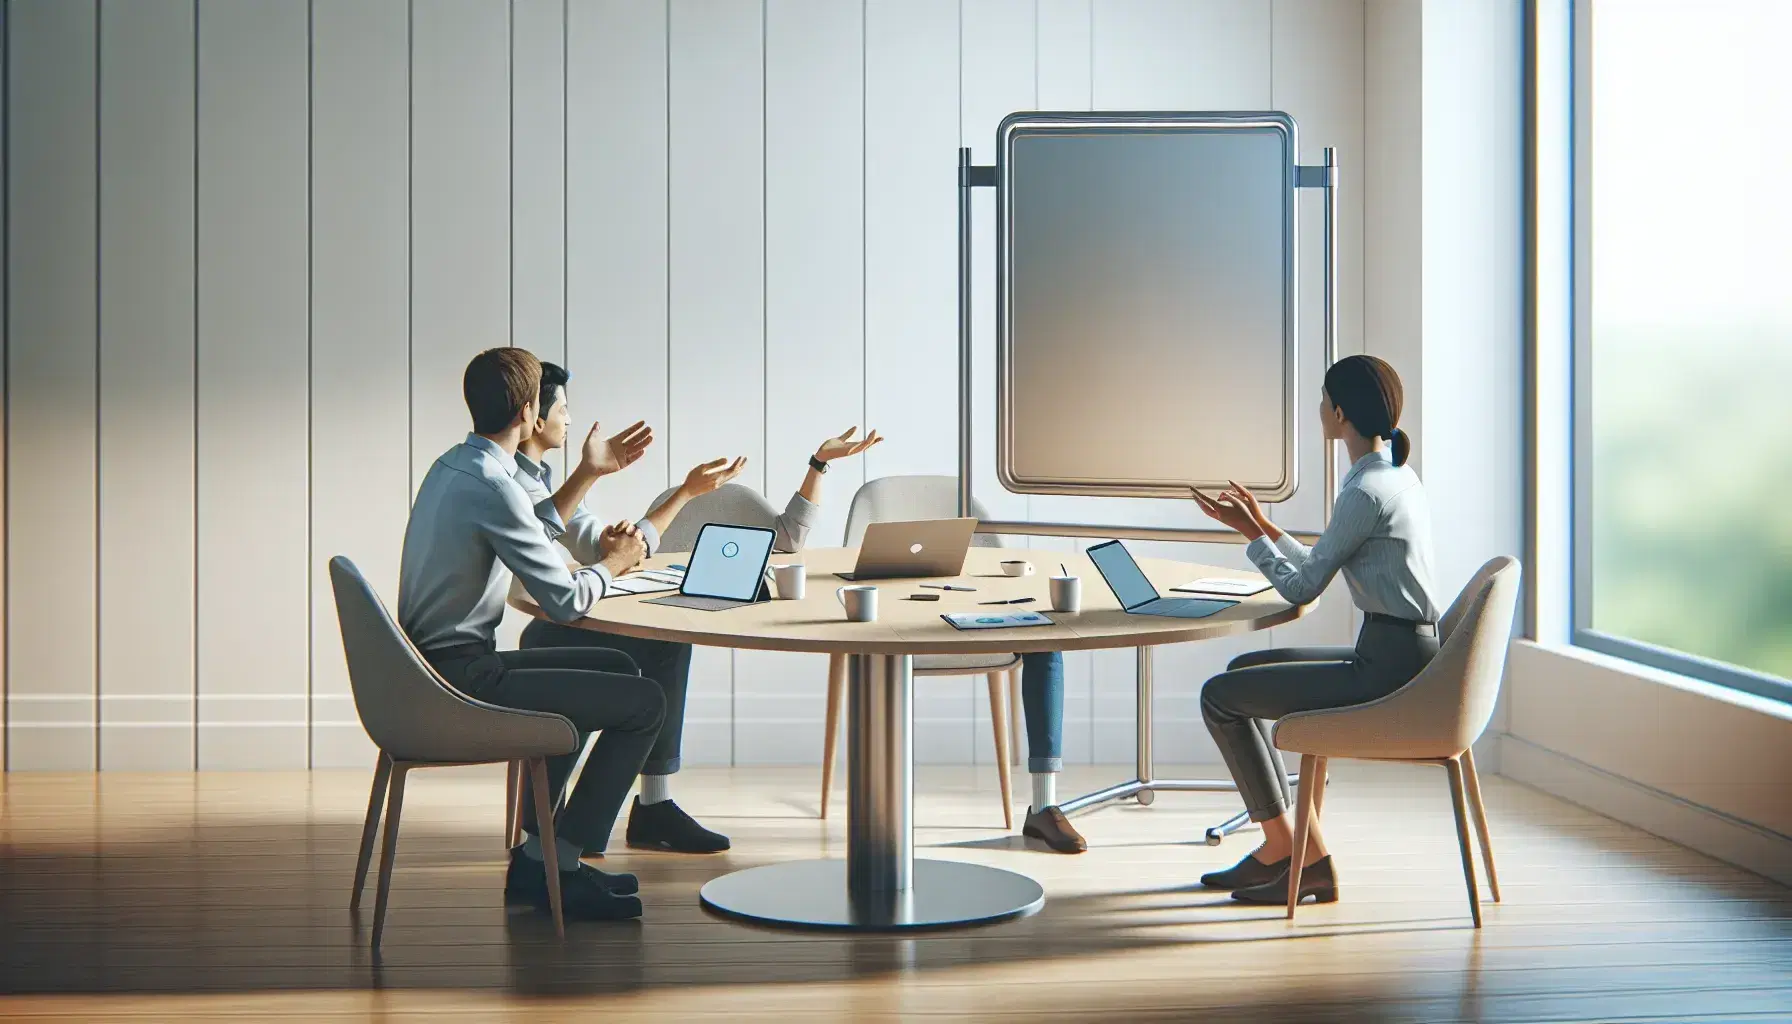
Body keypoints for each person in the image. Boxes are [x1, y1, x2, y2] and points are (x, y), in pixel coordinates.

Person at [511, 361, 882, 852]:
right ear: (534, 416)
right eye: (564, 409)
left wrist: (645, 523)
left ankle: (634, 812)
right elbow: (553, 549)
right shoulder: (510, 485)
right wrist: (654, 498)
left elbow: (594, 543)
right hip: (551, 627)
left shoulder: (543, 481)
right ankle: (573, 831)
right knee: (656, 659)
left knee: (666, 647)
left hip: (567, 614)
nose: (571, 419)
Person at [397, 347, 660, 923]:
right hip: (462, 679)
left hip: (428, 667)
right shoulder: (496, 486)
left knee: (617, 670)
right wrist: (614, 563)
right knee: (646, 703)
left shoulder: (454, 466)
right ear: (526, 413)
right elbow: (564, 601)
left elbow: (530, 529)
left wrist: (588, 475)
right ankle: (559, 863)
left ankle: (536, 858)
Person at [1189, 354, 1440, 906]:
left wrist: (1252, 539)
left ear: (1340, 412)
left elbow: (1303, 588)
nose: (1320, 408)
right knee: (1243, 671)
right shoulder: (1394, 477)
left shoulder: (1364, 492)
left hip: (1388, 668)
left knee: (1219, 697)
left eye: (1324, 400)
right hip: (1403, 651)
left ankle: (1301, 854)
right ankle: (1283, 850)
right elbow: (1323, 561)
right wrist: (1260, 523)